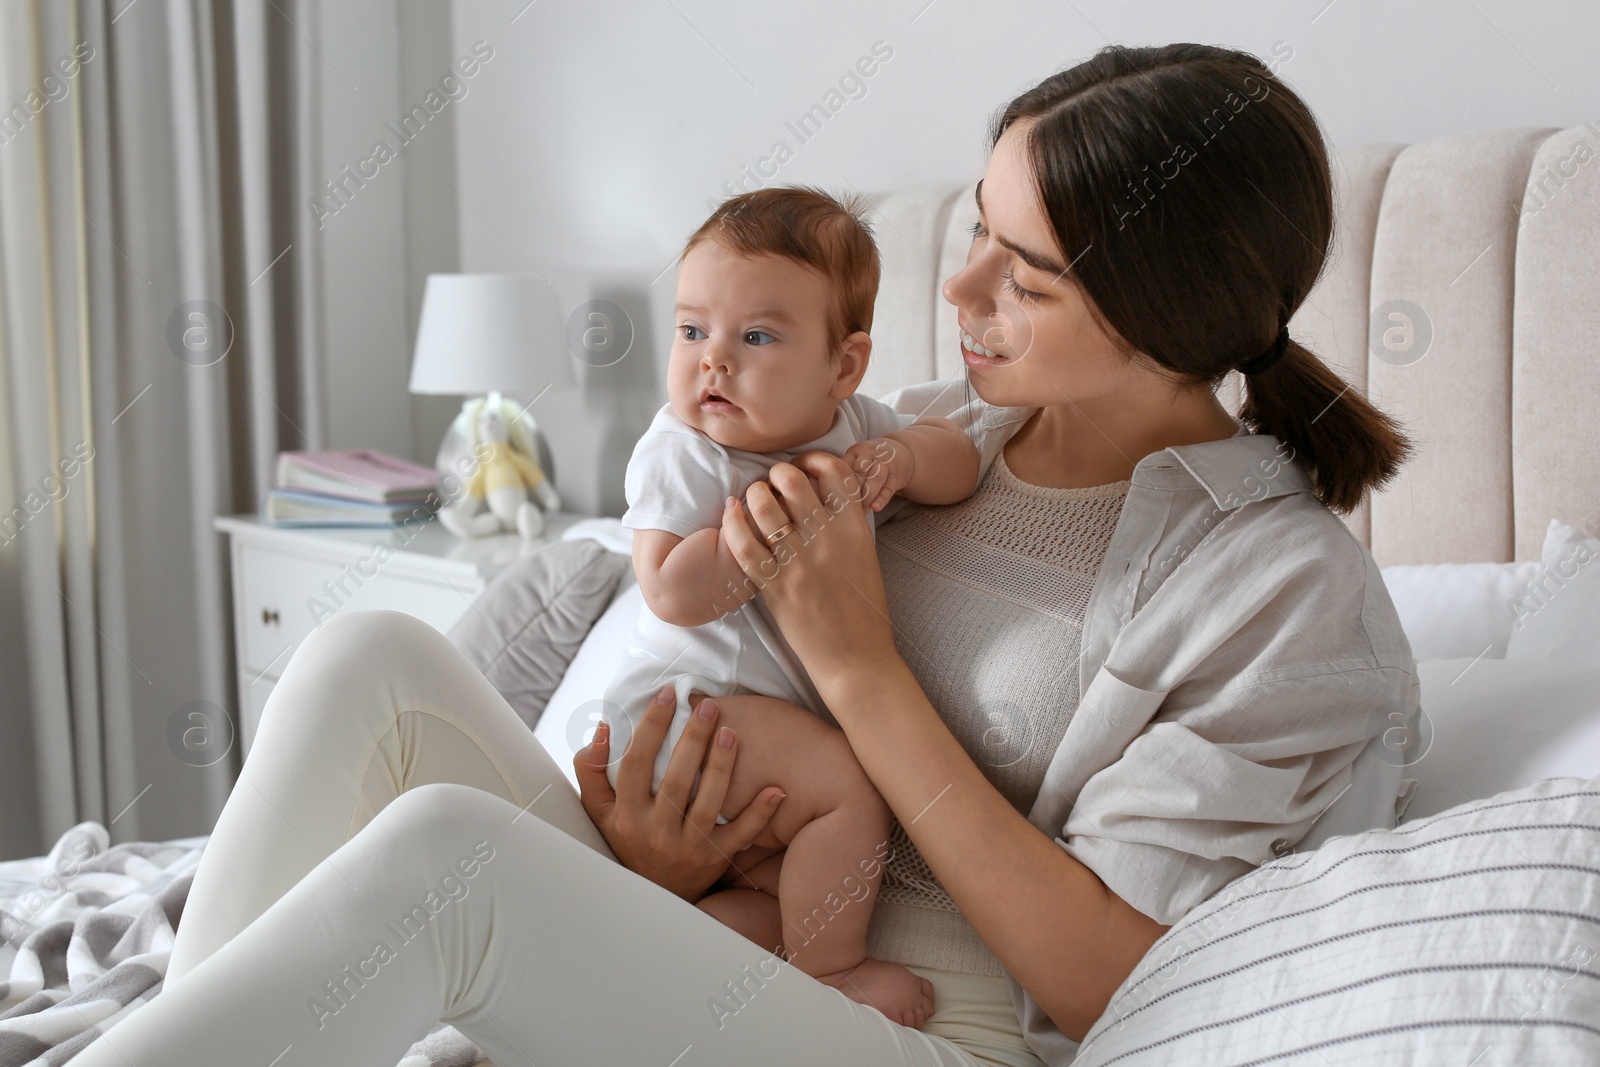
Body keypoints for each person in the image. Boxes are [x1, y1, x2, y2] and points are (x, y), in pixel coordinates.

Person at [77, 42, 1418, 1067]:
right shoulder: (938, 432)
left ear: (1166, 315)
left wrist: (859, 665)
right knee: (370, 652)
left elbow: (1110, 975)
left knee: (444, 860)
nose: (954, 294)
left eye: (1025, 275)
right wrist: (658, 865)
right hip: (728, 925)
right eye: (973, 237)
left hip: (921, 1016)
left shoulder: (1273, 586)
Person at [602, 185, 983, 1027]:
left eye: (758, 336)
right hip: (685, 716)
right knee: (850, 784)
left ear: (842, 367)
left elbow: (964, 460)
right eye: (692, 330)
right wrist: (752, 539)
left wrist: (904, 457)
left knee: (761, 912)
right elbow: (666, 584)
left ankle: (696, 976)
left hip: (756, 747)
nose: (713, 361)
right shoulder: (684, 449)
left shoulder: (848, 426)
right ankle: (834, 969)